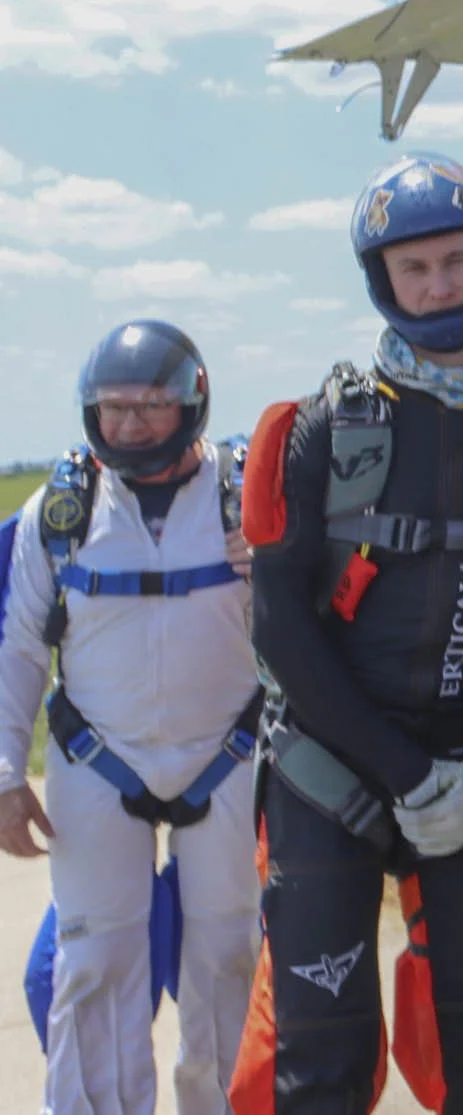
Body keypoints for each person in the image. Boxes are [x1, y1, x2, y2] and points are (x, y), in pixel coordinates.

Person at [237, 153, 463, 1115]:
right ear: (383, 283)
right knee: (323, 1059)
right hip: (333, 777)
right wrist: (406, 773)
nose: (438, 285)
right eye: (415, 269)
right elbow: (281, 629)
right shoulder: (325, 428)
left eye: (454, 262)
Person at [0, 322, 260, 1115]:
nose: (130, 425)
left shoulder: (244, 496)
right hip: (97, 761)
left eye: (150, 405)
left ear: (194, 401)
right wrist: (7, 772)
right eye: (113, 408)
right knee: (99, 960)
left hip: (229, 754)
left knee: (228, 954)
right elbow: (15, 649)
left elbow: (313, 624)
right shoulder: (62, 511)